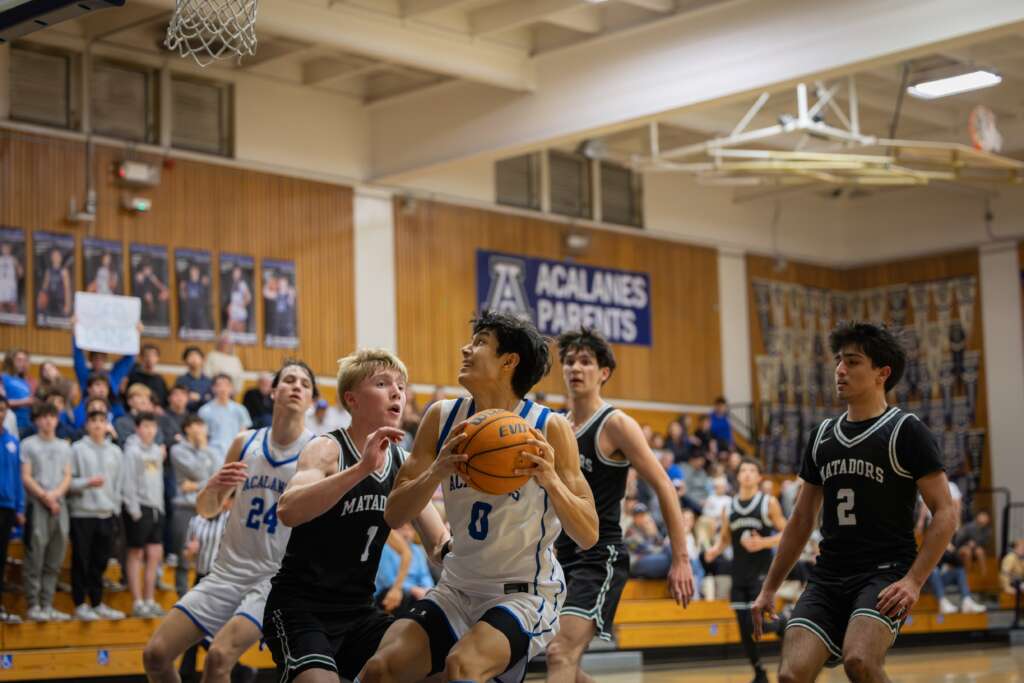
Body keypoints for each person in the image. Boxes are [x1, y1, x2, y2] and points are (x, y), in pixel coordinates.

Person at [359, 311, 599, 683]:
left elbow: (588, 534)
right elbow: (394, 514)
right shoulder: (442, 418)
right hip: (457, 587)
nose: (465, 349)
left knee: (463, 665)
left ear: (509, 361)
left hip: (524, 593)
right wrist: (437, 471)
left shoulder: (548, 427)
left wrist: (551, 480)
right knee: (381, 669)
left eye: (480, 342)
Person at [751, 322, 958, 682]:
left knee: (859, 661)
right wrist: (769, 588)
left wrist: (913, 581)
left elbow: (946, 511)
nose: (840, 370)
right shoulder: (822, 436)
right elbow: (801, 520)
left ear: (882, 373)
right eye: (838, 361)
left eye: (852, 361)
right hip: (829, 575)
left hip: (884, 573)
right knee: (790, 675)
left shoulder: (906, 430)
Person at [265, 348, 449, 683]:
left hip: (360, 612)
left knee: (441, 668)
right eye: (382, 384)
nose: (397, 393)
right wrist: (362, 468)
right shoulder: (327, 449)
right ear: (352, 399)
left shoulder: (404, 464)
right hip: (301, 608)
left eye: (401, 386)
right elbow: (288, 510)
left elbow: (438, 544)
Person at [143, 360, 316, 683]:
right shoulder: (245, 442)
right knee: (156, 655)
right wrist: (213, 487)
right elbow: (207, 509)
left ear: (311, 400)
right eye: (289, 380)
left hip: (274, 579)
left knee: (219, 657)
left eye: (304, 384)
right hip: (226, 572)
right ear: (273, 392)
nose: (296, 386)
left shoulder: (317, 451)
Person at [546, 328, 693, 683]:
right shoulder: (556, 425)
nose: (575, 368)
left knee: (559, 653)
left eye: (585, 361)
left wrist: (681, 559)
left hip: (599, 556)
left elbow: (664, 486)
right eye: (569, 361)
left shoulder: (616, 424)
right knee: (560, 657)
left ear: (604, 372)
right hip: (559, 556)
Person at [705, 458, 787, 683]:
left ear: (759, 477)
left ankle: (783, 623)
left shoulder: (768, 502)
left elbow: (788, 532)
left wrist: (764, 542)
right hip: (739, 573)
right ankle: (759, 673)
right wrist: (714, 550)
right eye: (743, 470)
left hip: (761, 574)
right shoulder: (729, 507)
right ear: (738, 476)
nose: (748, 474)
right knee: (743, 628)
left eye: (752, 470)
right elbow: (725, 538)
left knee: (754, 623)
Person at [68, 409, 127, 621]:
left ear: (107, 425)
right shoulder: (77, 449)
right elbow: (68, 482)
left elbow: (120, 483)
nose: (97, 425)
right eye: (93, 421)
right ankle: (79, 603)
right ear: (87, 425)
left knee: (100, 561)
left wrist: (115, 508)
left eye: (102, 420)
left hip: (107, 513)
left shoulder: (115, 452)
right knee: (81, 560)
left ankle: (97, 602)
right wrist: (87, 482)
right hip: (82, 513)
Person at [20, 402, 73, 622]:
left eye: (52, 416)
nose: (48, 420)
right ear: (36, 420)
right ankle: (33, 604)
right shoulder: (28, 444)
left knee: (56, 555)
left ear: (57, 419)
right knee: (35, 554)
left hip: (59, 504)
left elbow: (67, 476)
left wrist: (56, 495)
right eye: (43, 416)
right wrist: (45, 496)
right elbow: (26, 476)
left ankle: (48, 603)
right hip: (37, 503)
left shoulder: (64, 446)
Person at [178, 494, 233, 683]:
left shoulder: (230, 519)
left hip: (218, 580)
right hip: (200, 578)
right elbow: (187, 555)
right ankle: (186, 673)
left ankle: (186, 673)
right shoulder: (196, 521)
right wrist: (190, 551)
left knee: (200, 629)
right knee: (192, 627)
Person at [123, 412, 168, 618]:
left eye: (152, 426)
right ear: (137, 428)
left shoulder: (157, 452)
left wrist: (160, 507)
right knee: (136, 554)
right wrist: (133, 510)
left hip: (156, 508)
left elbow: (158, 481)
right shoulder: (131, 451)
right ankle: (137, 602)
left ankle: (149, 600)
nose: (149, 430)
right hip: (139, 508)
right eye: (145, 426)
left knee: (155, 555)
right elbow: (128, 482)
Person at [169, 414, 220, 597]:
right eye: (195, 425)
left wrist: (195, 485)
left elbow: (219, 475)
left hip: (208, 509)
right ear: (187, 428)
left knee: (209, 556)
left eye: (201, 425)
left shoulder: (212, 450)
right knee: (185, 556)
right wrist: (207, 481)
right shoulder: (177, 450)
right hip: (185, 507)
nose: (199, 429)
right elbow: (198, 471)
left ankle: (205, 598)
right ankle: (182, 600)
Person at [0, 395, 25, 623]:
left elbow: (17, 477)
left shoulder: (12, 442)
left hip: (7, 507)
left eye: (2, 410)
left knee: (2, 557)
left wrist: (20, 507)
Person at [376, 524, 437, 615]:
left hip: (416, 591)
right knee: (405, 595)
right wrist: (412, 589)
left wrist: (427, 589)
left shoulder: (417, 550)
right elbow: (388, 580)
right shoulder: (386, 549)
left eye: (409, 530)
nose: (406, 533)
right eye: (402, 529)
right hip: (390, 591)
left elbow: (425, 575)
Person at [198, 374, 253, 458]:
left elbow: (243, 435)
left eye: (226, 385)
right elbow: (202, 436)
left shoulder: (240, 409)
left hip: (234, 453)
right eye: (219, 385)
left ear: (231, 388)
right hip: (212, 453)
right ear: (213, 388)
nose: (223, 388)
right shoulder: (204, 410)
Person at [2, 348, 34, 435]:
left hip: (27, 424)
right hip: (11, 424)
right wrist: (26, 402)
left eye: (25, 360)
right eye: (19, 360)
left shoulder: (25, 381)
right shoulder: (3, 378)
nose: (22, 363)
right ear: (10, 361)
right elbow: (2, 403)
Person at [129, 344, 170, 409]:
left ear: (157, 358)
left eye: (153, 356)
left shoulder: (160, 379)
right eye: (147, 356)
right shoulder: (133, 376)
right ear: (141, 358)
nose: (150, 359)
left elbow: (165, 401)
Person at [954, 510, 992, 575]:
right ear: (978, 516)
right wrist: (967, 543)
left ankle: (984, 573)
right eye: (983, 516)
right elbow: (958, 539)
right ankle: (967, 574)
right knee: (967, 552)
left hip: (976, 547)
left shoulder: (987, 530)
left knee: (980, 552)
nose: (984, 519)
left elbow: (985, 542)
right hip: (963, 546)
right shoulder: (968, 526)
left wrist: (976, 543)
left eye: (986, 517)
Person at [176, 347, 213, 413]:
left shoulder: (209, 381)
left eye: (196, 355)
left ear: (203, 360)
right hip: (186, 414)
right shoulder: (181, 380)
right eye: (190, 356)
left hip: (206, 414)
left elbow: (212, 400)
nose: (194, 358)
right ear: (185, 361)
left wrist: (200, 398)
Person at [40, 247, 71, 318]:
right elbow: (44, 288)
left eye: (58, 256)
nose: (56, 258)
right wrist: (41, 302)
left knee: (59, 321)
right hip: (50, 302)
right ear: (51, 258)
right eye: (54, 256)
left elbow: (67, 289)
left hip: (60, 302)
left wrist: (68, 305)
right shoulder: (48, 271)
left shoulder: (64, 271)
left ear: (61, 258)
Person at [180, 263, 211, 333]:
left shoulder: (203, 283)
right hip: (190, 311)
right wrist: (182, 289)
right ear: (190, 272)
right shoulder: (187, 284)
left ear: (198, 272)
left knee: (204, 330)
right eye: (193, 271)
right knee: (189, 330)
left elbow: (207, 296)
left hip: (200, 312)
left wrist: (207, 284)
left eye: (196, 271)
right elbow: (183, 297)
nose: (194, 273)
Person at [225, 266, 251, 334]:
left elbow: (248, 298)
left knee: (240, 334)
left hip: (240, 313)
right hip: (233, 312)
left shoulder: (242, 284)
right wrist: (230, 305)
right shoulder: (232, 284)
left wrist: (242, 304)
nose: (236, 275)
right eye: (235, 273)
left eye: (238, 273)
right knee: (230, 333)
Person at [0, 240, 23, 314]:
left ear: (10, 249)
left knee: (12, 305)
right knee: (1, 305)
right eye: (4, 248)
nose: (5, 250)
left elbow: (21, 273)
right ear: (1, 249)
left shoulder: (13, 259)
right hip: (1, 286)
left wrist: (17, 276)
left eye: (7, 248)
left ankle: (14, 319)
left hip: (11, 286)